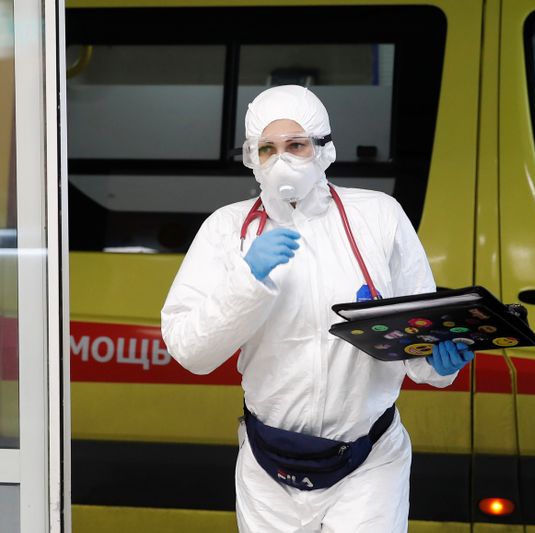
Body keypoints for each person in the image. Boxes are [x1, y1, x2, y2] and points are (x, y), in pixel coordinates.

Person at [161, 85, 473, 532]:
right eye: (267, 149)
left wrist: (439, 363)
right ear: (252, 157)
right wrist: (248, 281)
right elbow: (191, 351)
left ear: (324, 149)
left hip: (369, 461)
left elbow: (415, 330)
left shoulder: (379, 218)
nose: (282, 160)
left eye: (296, 145)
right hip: (269, 465)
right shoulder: (226, 230)